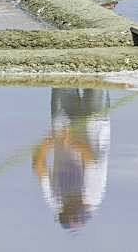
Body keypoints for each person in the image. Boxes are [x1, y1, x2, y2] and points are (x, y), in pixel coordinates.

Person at [31, 88, 111, 231]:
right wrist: (71, 142)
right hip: (94, 124)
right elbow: (90, 159)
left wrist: (46, 144)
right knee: (97, 82)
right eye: (71, 208)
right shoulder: (92, 197)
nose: (68, 205)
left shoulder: (56, 202)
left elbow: (39, 168)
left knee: (62, 82)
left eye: (66, 209)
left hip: (64, 124)